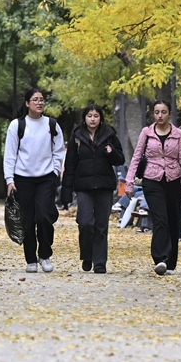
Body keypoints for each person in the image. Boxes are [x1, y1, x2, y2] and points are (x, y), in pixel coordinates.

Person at [4, 88, 66, 273]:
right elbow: (10, 154)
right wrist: (9, 180)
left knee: (44, 216)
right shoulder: (17, 125)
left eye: (42, 100)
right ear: (27, 103)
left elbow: (59, 150)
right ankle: (30, 259)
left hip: (46, 178)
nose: (39, 102)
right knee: (27, 221)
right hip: (23, 179)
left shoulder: (52, 124)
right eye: (35, 99)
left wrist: (55, 171)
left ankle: (44, 255)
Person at [126, 99, 181, 276]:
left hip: (173, 179)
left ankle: (171, 262)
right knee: (160, 218)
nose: (160, 115)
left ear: (169, 113)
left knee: (172, 220)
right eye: (156, 112)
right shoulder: (146, 133)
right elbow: (136, 157)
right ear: (153, 114)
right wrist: (129, 181)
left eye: (163, 112)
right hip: (151, 179)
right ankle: (160, 258)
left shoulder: (178, 134)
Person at [61, 104, 124, 273]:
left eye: (96, 116)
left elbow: (120, 160)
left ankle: (100, 262)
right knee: (86, 223)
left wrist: (111, 152)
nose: (93, 119)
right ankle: (87, 255)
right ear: (84, 118)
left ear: (100, 118)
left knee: (101, 226)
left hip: (104, 185)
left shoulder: (109, 135)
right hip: (84, 186)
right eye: (90, 116)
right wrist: (66, 192)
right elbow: (70, 164)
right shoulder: (77, 136)